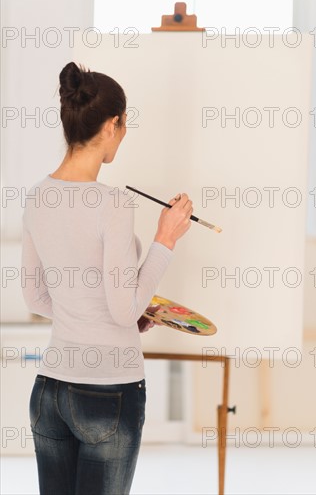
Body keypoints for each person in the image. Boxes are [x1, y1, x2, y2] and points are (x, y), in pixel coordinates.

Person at [21, 61, 193, 494]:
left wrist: (104, 313)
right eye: (126, 122)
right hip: (108, 394)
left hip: (50, 393)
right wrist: (165, 239)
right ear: (113, 124)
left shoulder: (38, 195)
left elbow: (36, 297)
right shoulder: (112, 204)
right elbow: (123, 309)